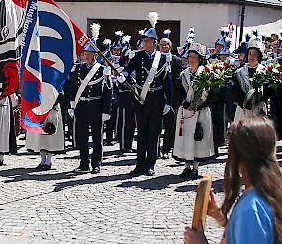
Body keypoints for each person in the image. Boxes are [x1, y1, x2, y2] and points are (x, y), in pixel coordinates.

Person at [184, 117, 282, 244]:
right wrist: (220, 218)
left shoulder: (252, 208)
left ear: (239, 160)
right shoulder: (263, 195)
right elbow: (251, 241)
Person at [121, 12, 172, 177]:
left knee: (154, 133)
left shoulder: (162, 59)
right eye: (143, 41)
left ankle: (151, 164)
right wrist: (124, 75)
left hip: (156, 99)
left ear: (154, 43)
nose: (144, 43)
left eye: (147, 41)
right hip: (141, 99)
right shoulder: (138, 56)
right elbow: (129, 69)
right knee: (141, 132)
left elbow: (167, 82)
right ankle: (139, 164)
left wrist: (168, 102)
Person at [67, 30, 112, 175]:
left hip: (96, 106)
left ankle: (96, 164)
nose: (85, 55)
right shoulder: (77, 69)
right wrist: (71, 105)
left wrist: (106, 110)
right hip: (81, 106)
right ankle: (83, 163)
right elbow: (72, 88)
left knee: (97, 137)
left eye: (89, 53)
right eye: (84, 53)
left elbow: (107, 91)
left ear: (95, 55)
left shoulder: (102, 70)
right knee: (81, 136)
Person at [172, 42, 214, 179]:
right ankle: (186, 167)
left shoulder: (207, 74)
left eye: (194, 57)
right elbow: (178, 92)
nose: (191, 59)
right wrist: (185, 103)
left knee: (197, 137)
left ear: (200, 59)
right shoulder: (183, 75)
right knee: (185, 137)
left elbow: (213, 94)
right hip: (186, 111)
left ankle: (195, 167)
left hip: (200, 111)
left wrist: (200, 105)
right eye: (190, 56)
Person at [230, 39, 270, 123]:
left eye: (255, 54)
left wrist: (257, 100)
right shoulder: (239, 72)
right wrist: (243, 103)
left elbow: (269, 91)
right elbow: (234, 91)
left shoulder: (265, 71)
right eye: (250, 53)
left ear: (259, 56)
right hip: (242, 109)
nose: (251, 56)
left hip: (258, 108)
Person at [159, 31, 182, 158]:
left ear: (170, 47)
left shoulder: (176, 60)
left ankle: (166, 149)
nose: (164, 47)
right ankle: (155, 148)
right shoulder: (154, 59)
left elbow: (177, 79)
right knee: (156, 124)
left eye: (166, 45)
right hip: (157, 95)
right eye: (162, 45)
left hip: (172, 96)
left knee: (170, 124)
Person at [25, 103, 65, 170]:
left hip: (51, 109)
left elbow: (59, 95)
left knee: (50, 136)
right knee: (39, 137)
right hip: (39, 109)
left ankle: (48, 161)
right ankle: (42, 160)